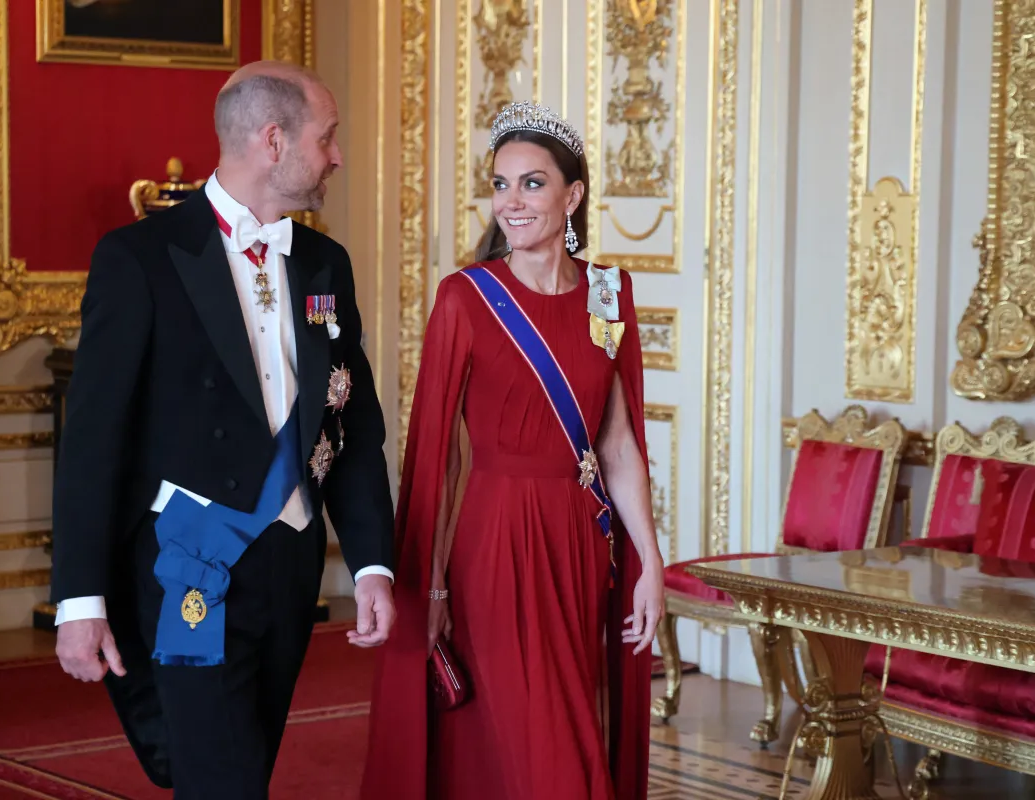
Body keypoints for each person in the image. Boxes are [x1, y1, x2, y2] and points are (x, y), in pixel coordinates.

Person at [49, 60, 396, 799]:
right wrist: (80, 599)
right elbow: (92, 440)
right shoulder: (140, 259)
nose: (337, 155)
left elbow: (352, 424)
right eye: (327, 137)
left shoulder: (325, 265)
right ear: (274, 140)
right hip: (189, 567)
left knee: (238, 769)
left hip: (287, 570)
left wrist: (371, 563)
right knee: (221, 781)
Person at [360, 101, 663, 800]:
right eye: (500, 184)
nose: (511, 202)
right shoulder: (466, 298)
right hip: (494, 543)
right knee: (544, 746)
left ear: (573, 194)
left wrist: (650, 561)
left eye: (531, 183)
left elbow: (616, 443)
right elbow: (441, 458)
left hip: (580, 539)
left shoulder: (609, 296)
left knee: (561, 723)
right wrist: (433, 586)